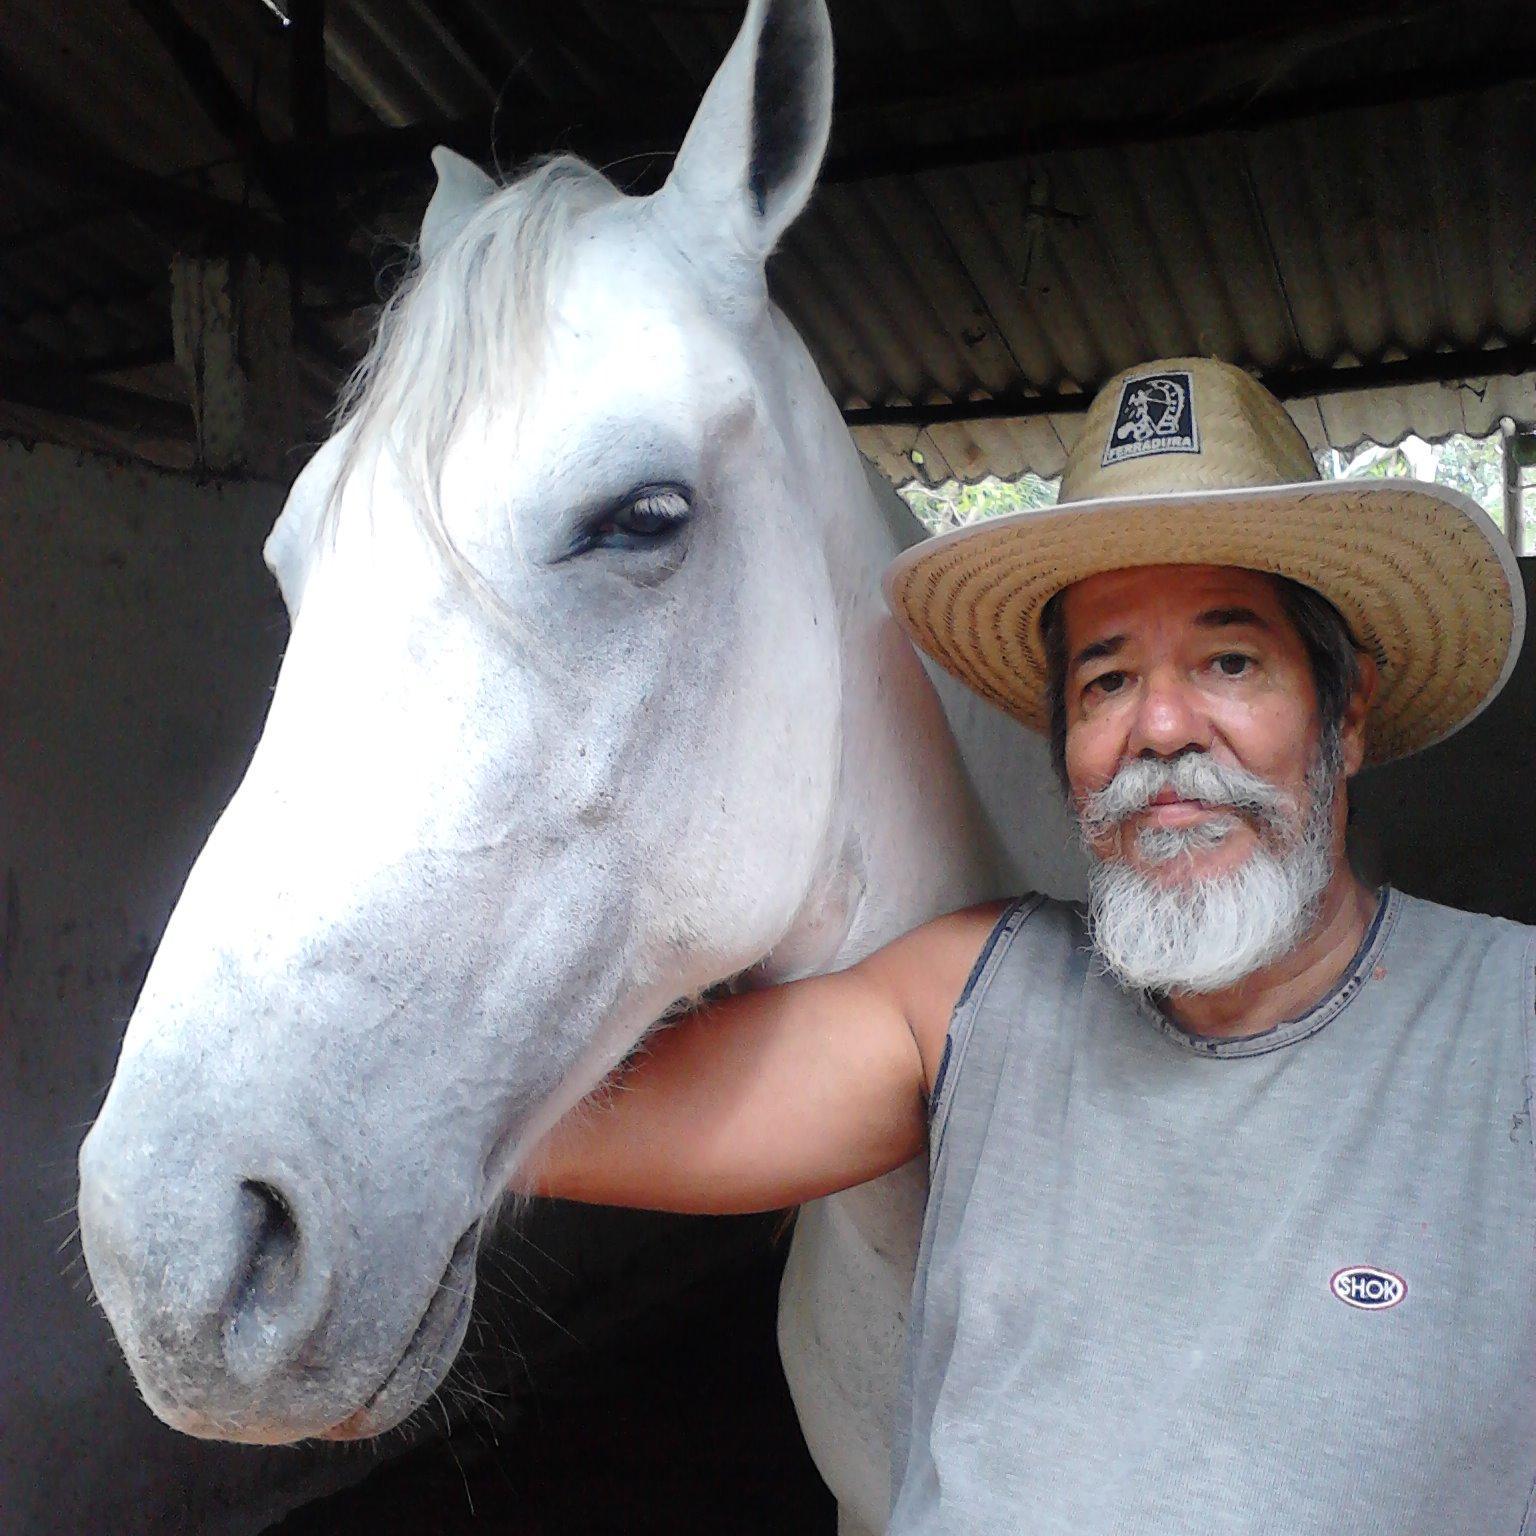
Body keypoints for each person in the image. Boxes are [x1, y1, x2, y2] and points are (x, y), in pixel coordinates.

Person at [520, 357, 1534, 1532]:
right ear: (1068, 745)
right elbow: (560, 1121)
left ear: (1343, 713)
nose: (1161, 728)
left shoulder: (1508, 1026)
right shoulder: (971, 1001)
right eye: (1107, 679)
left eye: (1230, 660)